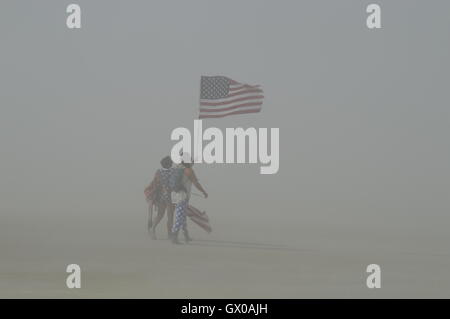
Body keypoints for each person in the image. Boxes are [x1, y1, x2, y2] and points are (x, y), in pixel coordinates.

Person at [170, 156, 208, 244]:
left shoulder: (177, 168)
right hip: (182, 196)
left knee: (182, 215)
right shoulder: (189, 171)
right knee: (179, 216)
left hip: (175, 195)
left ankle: (185, 235)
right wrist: (204, 192)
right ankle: (174, 235)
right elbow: (196, 183)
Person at [149, 156, 175, 240]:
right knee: (169, 216)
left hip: (162, 196)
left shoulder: (158, 172)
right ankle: (169, 234)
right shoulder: (172, 171)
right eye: (171, 163)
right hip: (169, 196)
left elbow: (155, 183)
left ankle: (153, 229)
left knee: (161, 215)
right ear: (168, 164)